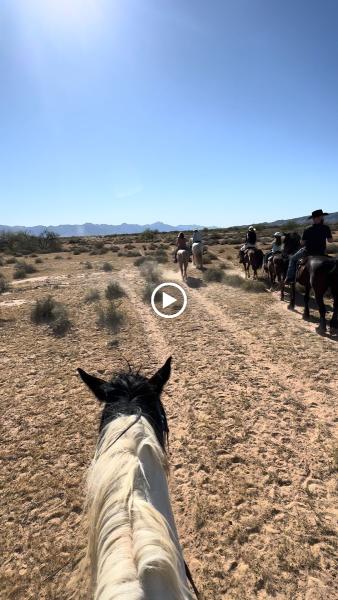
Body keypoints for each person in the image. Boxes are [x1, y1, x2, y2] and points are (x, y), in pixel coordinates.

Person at [285, 209, 333, 283]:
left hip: (308, 252)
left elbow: (302, 243)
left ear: (314, 219)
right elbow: (330, 240)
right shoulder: (326, 228)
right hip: (321, 252)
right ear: (321, 217)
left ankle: (289, 278)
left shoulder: (307, 229)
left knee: (292, 259)